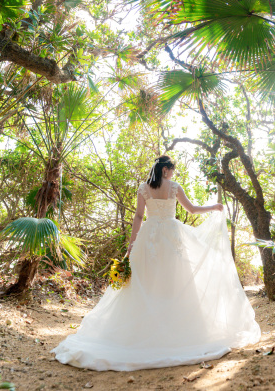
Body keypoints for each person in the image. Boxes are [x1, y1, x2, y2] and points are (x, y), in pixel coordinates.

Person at [51, 155, 261, 371]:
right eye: (171, 169)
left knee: (147, 281)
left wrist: (132, 244)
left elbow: (138, 217)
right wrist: (213, 207)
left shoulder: (144, 188)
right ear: (165, 170)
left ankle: (144, 330)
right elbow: (192, 209)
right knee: (174, 281)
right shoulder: (174, 187)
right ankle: (174, 330)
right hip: (171, 236)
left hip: (149, 237)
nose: (173, 173)